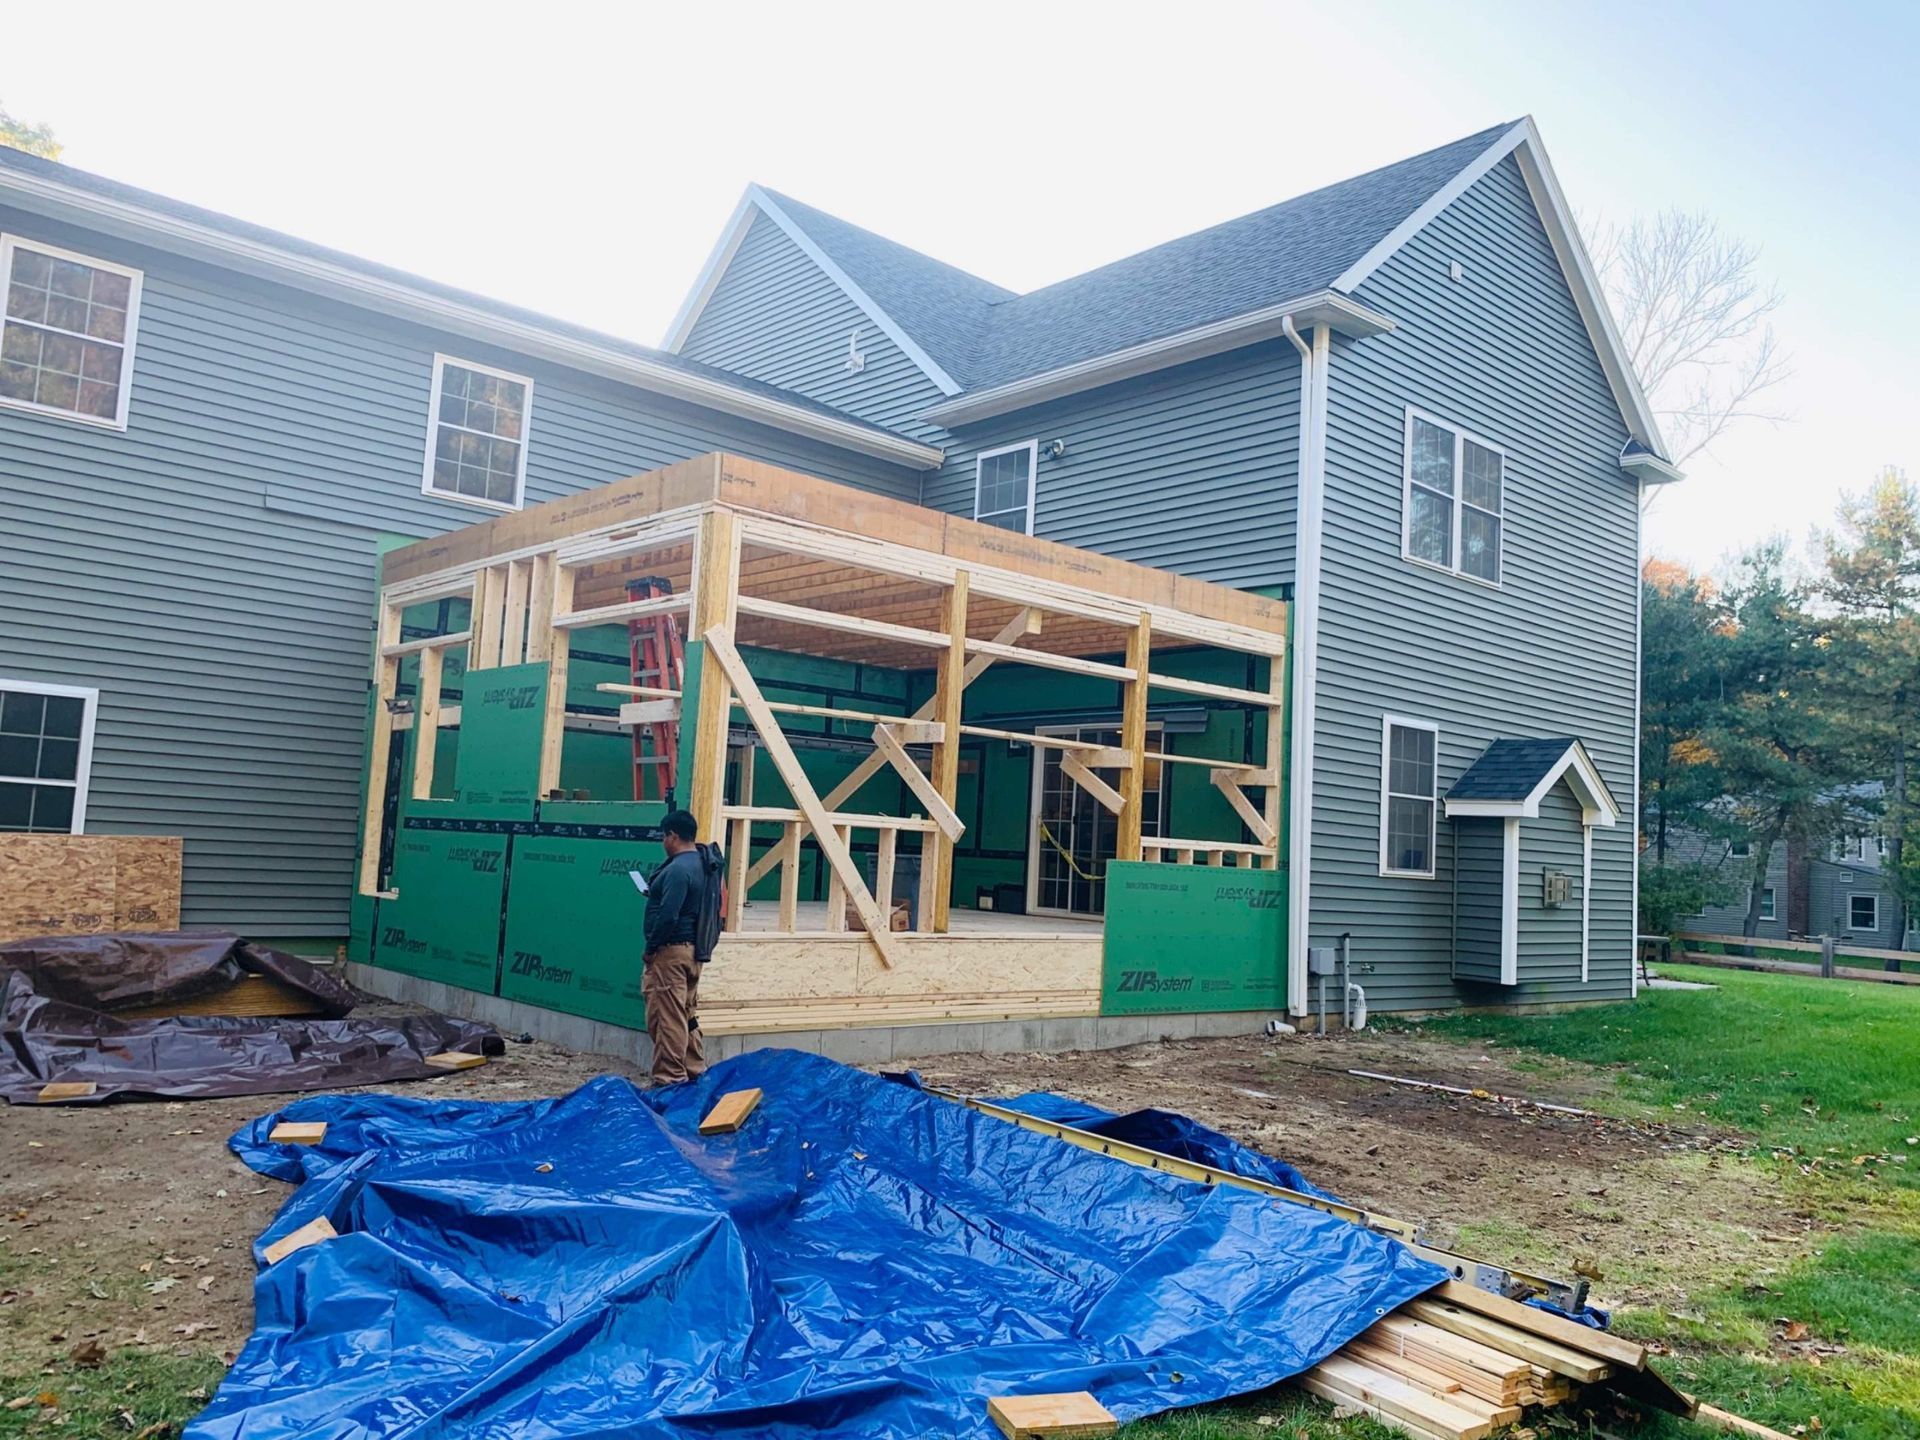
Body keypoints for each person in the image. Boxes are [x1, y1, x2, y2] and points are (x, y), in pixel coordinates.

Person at [642, 808, 708, 1085]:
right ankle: (694, 1068)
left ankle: (670, 1079)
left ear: (673, 836)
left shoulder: (679, 869)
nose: (663, 842)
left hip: (671, 951)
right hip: (693, 951)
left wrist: (652, 948)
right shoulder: (703, 864)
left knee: (667, 1017)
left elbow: (669, 914)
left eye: (664, 837)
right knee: (685, 1013)